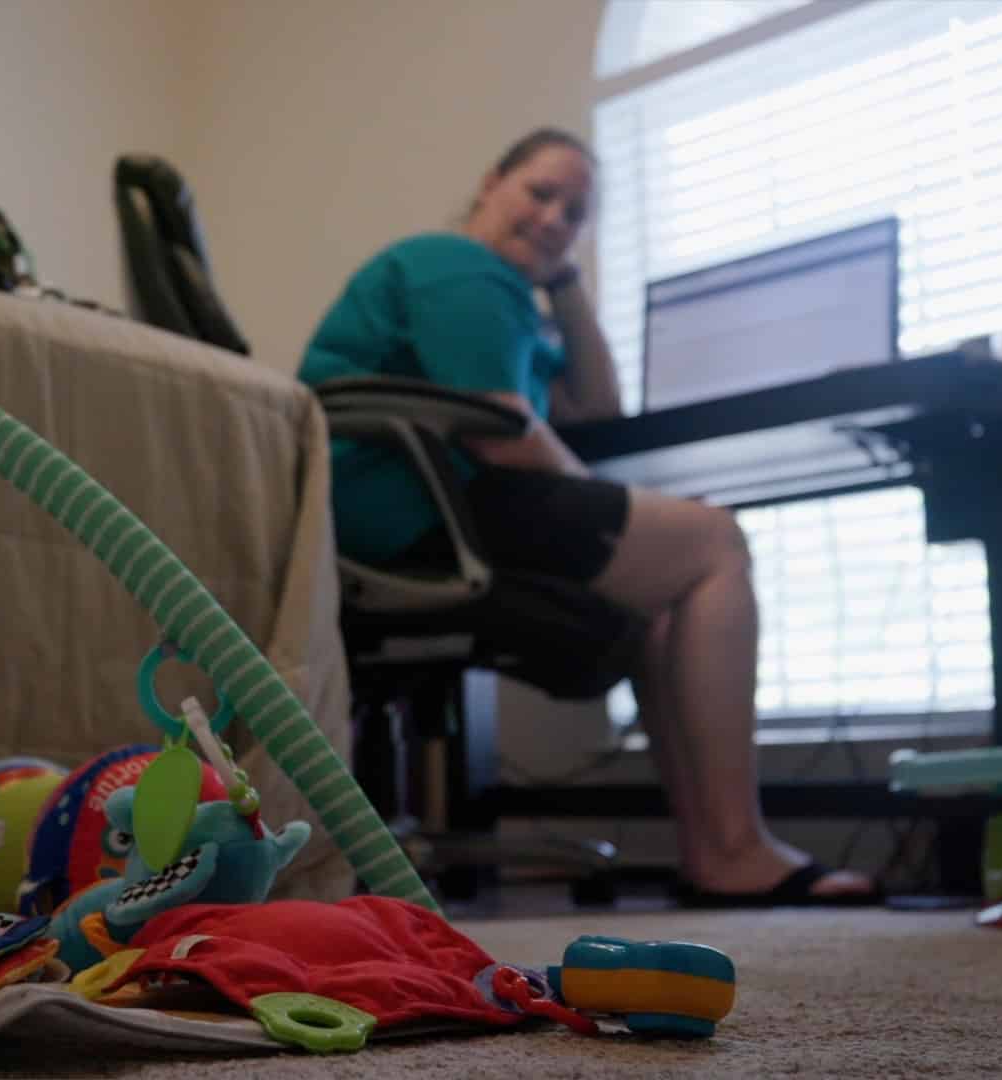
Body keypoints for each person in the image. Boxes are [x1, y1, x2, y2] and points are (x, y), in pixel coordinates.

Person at [299, 128, 879, 907]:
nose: (553, 219)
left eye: (575, 214)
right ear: (488, 183)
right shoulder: (457, 266)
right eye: (539, 194)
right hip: (415, 514)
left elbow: (596, 408)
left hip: (429, 513)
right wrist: (609, 499)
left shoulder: (513, 306)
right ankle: (733, 847)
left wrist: (564, 282)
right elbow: (501, 430)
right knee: (713, 538)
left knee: (674, 593)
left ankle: (720, 854)